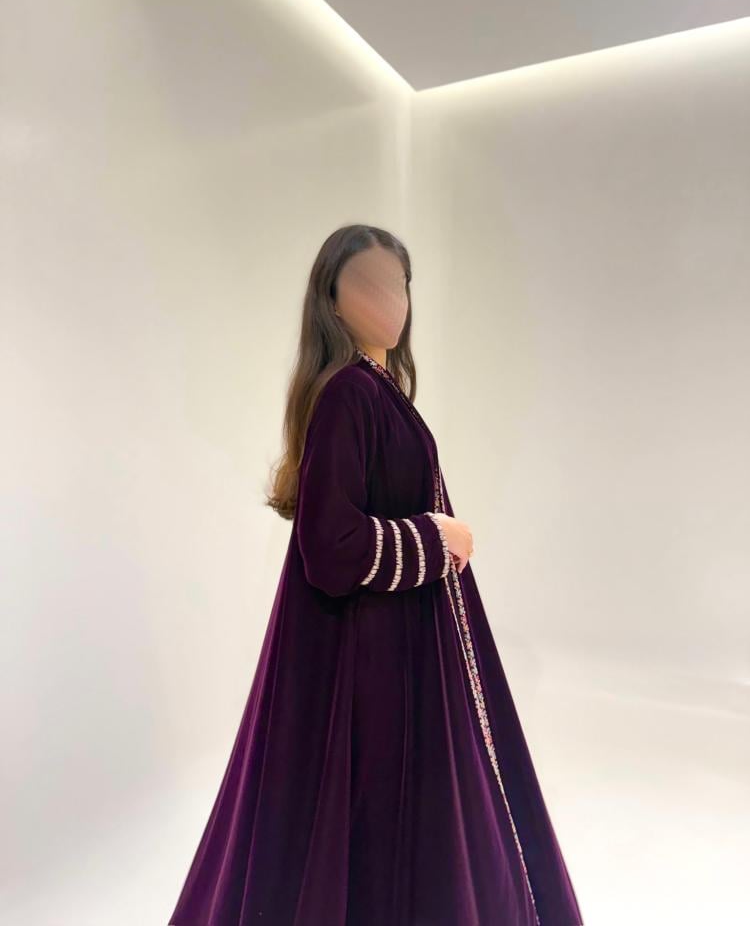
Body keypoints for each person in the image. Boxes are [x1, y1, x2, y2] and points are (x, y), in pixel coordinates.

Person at [168, 224, 584, 926]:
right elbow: (330, 548)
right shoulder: (348, 395)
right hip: (371, 666)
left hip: (395, 654)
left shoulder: (376, 390)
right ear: (332, 300)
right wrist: (435, 538)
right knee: (376, 829)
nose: (390, 299)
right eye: (369, 284)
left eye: (399, 284)